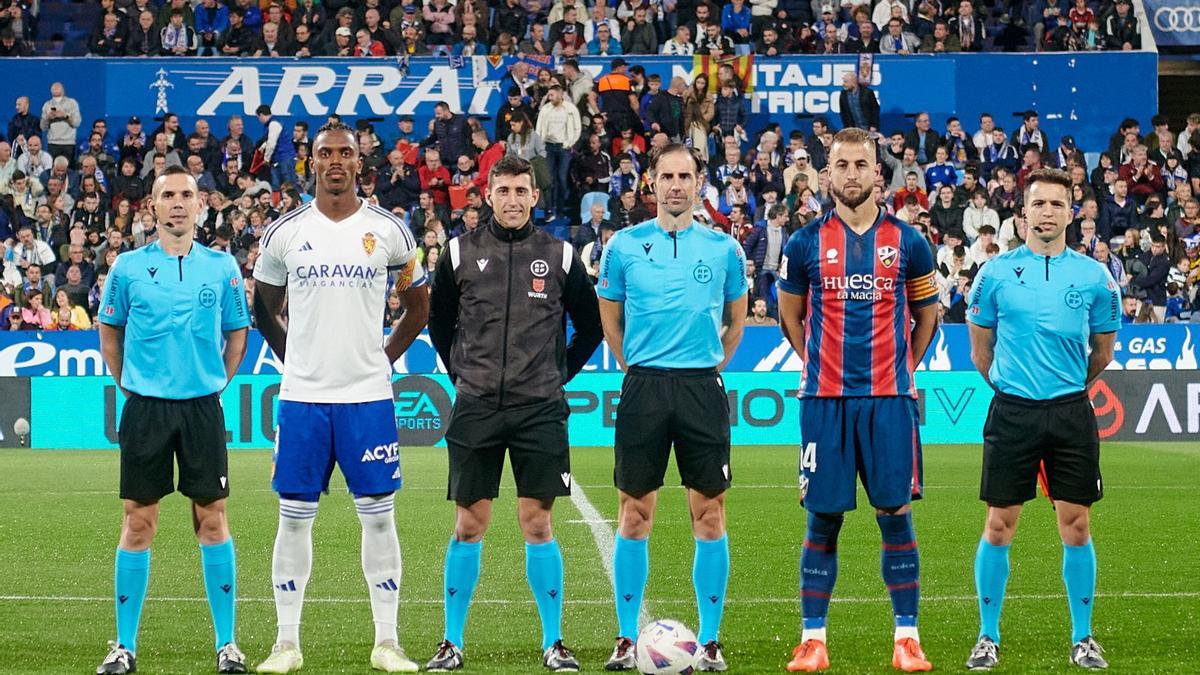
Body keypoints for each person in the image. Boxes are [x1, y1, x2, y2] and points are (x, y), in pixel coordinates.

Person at [251, 122, 431, 674]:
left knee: (379, 518)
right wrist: (294, 359)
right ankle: (286, 643)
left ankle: (387, 641)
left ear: (360, 163)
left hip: (368, 398)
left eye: (344, 154)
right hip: (303, 399)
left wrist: (382, 358)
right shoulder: (284, 232)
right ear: (310, 163)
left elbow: (417, 304)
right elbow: (264, 307)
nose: (334, 162)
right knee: (293, 518)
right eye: (324, 154)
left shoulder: (390, 232)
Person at [423, 155, 603, 672]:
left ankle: (554, 641)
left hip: (539, 409)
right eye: (503, 191)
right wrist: (463, 374)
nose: (513, 200)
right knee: (469, 523)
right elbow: (441, 325)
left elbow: (588, 327)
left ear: (534, 196)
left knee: (537, 523)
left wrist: (557, 373)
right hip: (477, 406)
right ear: (488, 194)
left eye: (522, 191)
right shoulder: (458, 252)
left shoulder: (560, 254)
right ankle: (451, 642)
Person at [777, 128, 941, 673]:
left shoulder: (911, 241)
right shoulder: (802, 243)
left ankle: (907, 638)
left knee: (894, 513)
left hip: (889, 399)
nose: (851, 174)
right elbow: (790, 317)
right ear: (828, 174)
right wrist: (818, 363)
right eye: (841, 165)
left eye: (861, 165)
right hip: (823, 400)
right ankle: (813, 640)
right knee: (822, 518)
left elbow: (927, 317)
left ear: (877, 172)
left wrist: (902, 369)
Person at [596, 143, 748, 672]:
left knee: (709, 512)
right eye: (667, 176)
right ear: (652, 184)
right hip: (643, 387)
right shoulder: (624, 246)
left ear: (699, 182)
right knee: (634, 513)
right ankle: (623, 637)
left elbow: (736, 319)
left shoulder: (724, 248)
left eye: (685, 176)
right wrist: (633, 362)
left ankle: (709, 640)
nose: (676, 185)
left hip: (701, 388)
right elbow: (609, 317)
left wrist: (709, 365)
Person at [94, 166, 251, 675]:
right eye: (169, 195)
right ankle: (124, 647)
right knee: (138, 523)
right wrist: (134, 386)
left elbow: (237, 337)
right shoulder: (127, 268)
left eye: (187, 195)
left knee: (212, 518)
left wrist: (212, 385)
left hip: (202, 408)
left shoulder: (222, 266)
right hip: (145, 408)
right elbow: (110, 335)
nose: (178, 203)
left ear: (200, 206)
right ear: (153, 207)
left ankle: (227, 646)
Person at [964, 167, 1119, 670]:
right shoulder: (994, 274)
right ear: (1023, 211)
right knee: (999, 525)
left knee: (1076, 525)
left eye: (1057, 204)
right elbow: (981, 352)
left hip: (1071, 411)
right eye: (1039, 204)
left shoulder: (1096, 277)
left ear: (1071, 213)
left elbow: (1102, 353)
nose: (1047, 212)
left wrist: (1064, 385)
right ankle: (988, 636)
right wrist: (1015, 389)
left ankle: (1083, 637)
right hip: (1013, 412)